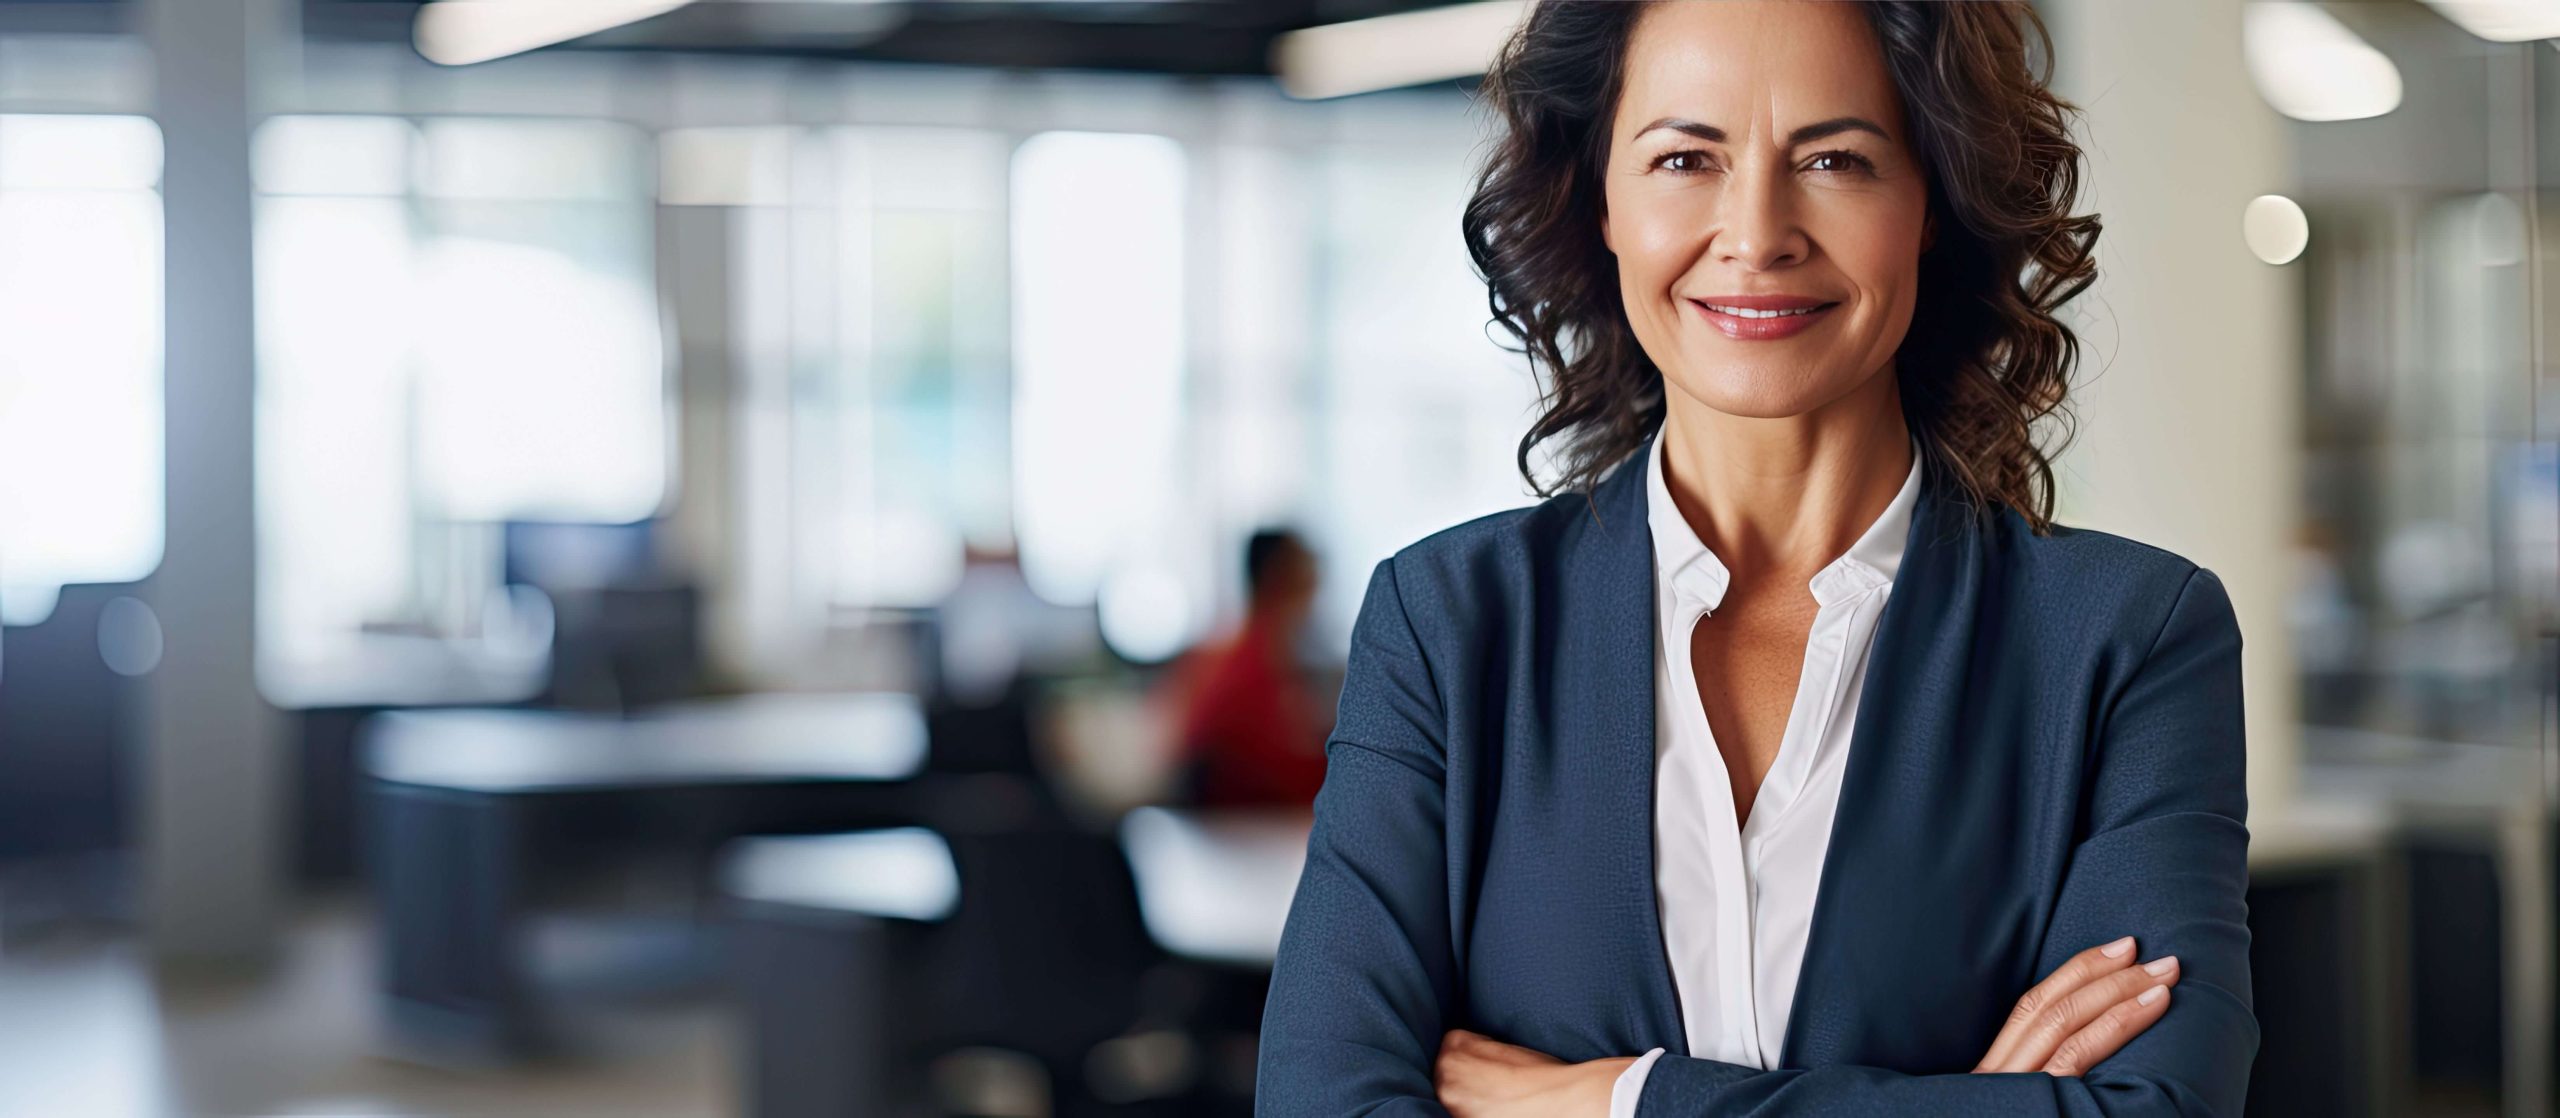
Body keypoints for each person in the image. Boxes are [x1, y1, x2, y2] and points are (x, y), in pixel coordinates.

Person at [1256, 3, 2254, 1116]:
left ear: (1929, 199)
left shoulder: (2129, 638)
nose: (1756, 231)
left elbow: (2155, 1109)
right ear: (1602, 203)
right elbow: (1320, 1098)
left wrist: (1621, 1099)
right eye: (1685, 157)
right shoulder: (1447, 623)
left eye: (1834, 157)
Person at [1163, 528, 1333, 808]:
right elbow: (1275, 770)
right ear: (1280, 574)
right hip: (1242, 828)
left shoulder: (1253, 652)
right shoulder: (1250, 663)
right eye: (1306, 564)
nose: (1317, 578)